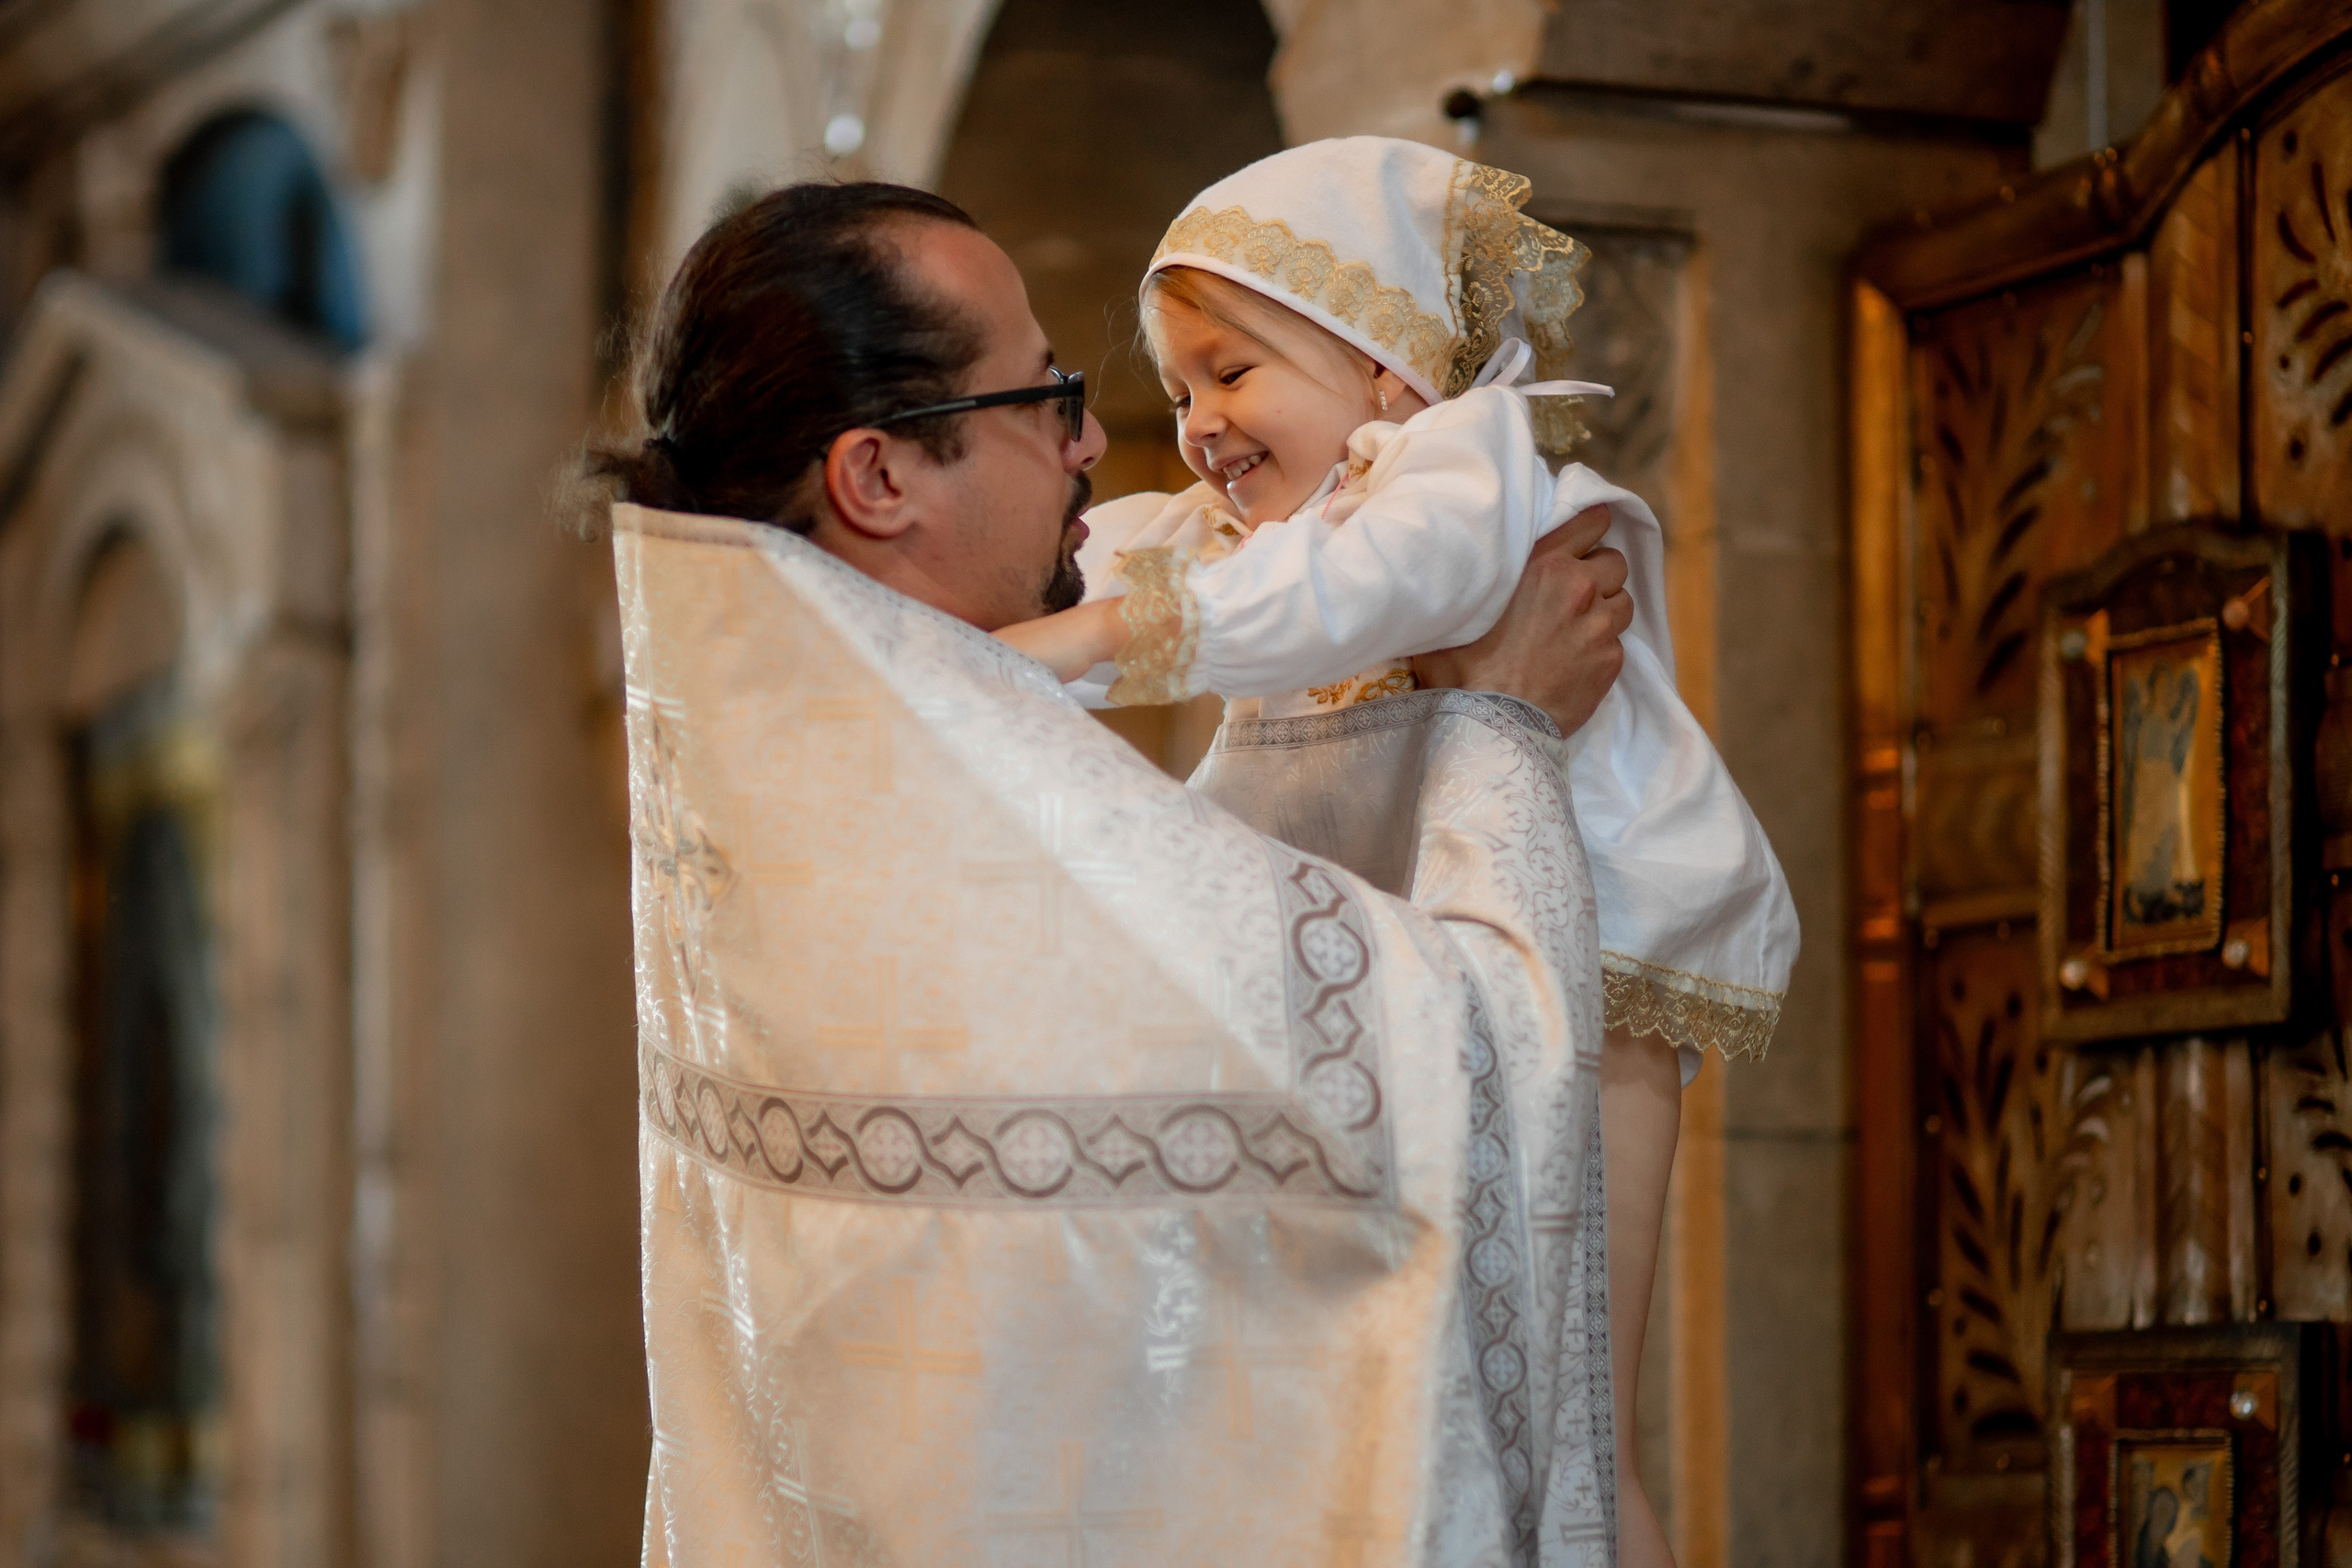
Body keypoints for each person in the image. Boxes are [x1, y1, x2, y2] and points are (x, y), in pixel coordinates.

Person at [594, 180, 1634, 1565]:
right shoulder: (980, 803)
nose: (1095, 439)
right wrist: (1503, 722)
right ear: (878, 477)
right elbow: (1469, 1075)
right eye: (1042, 397)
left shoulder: (771, 754)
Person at [992, 137, 1799, 1568]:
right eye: (1178, 390)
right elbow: (1129, 552)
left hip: (1589, 986)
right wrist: (986, 645)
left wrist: (1087, 641)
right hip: (1407, 989)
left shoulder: (1459, 472)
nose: (1195, 427)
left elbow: (1377, 588)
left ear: (1383, 367)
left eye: (1231, 372)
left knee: (1567, 1424)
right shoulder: (1271, 533)